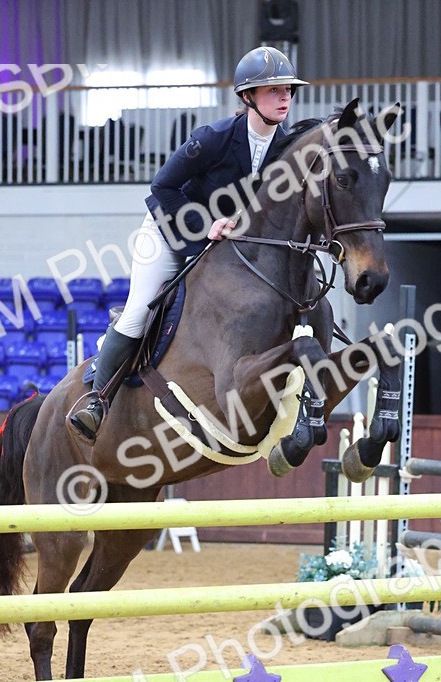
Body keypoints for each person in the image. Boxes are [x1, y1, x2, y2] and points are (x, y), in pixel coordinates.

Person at [69, 46, 309, 443]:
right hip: (170, 229)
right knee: (137, 311)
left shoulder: (283, 149)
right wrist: (204, 227)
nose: (284, 97)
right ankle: (97, 401)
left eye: (287, 90)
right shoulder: (212, 139)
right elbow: (162, 186)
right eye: (273, 90)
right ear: (248, 97)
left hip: (227, 241)